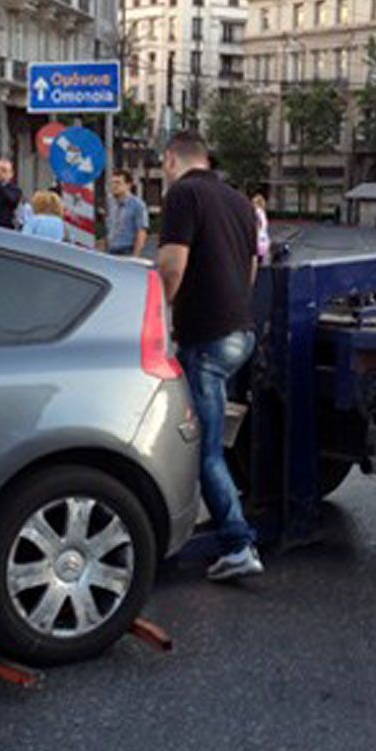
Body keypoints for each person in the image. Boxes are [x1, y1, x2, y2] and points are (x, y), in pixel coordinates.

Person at [157, 130, 263, 582]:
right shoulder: (240, 201)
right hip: (240, 332)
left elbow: (171, 265)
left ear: (170, 161)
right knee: (210, 434)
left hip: (206, 338)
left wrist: (160, 316)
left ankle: (238, 543)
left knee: (204, 447)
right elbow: (253, 265)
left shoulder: (182, 195)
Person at [106, 170, 150, 257]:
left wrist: (135, 257)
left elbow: (141, 232)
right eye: (112, 183)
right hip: (111, 251)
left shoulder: (138, 205)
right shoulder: (111, 203)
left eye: (118, 183)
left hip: (127, 251)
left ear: (128, 185)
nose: (114, 186)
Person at [251, 192, 271, 265]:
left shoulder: (256, 212)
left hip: (258, 240)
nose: (252, 204)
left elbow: (257, 226)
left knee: (255, 261)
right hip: (264, 240)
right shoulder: (262, 212)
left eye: (254, 202)